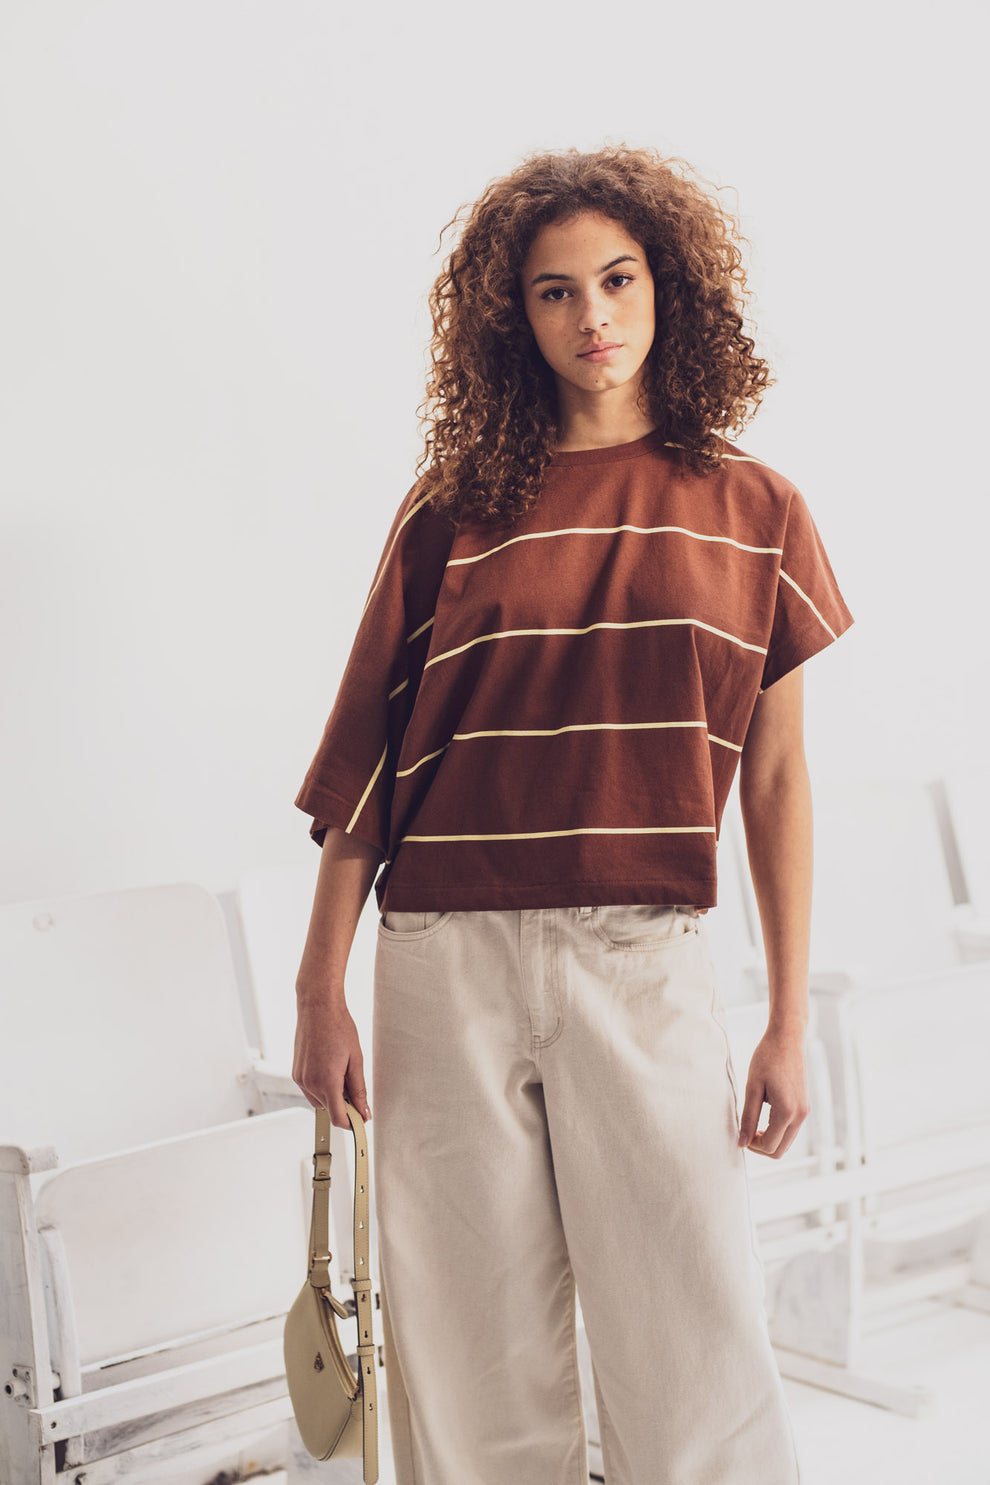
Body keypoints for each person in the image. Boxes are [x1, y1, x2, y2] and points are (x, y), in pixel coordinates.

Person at [292, 144, 853, 1485]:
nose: (591, 315)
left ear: (669, 288)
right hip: (444, 960)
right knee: (466, 1343)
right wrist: (320, 989)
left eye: (616, 279)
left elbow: (776, 781)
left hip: (641, 954)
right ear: (515, 317)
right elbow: (368, 761)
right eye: (554, 292)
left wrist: (785, 1019)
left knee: (690, 1333)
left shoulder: (756, 509)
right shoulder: (453, 509)